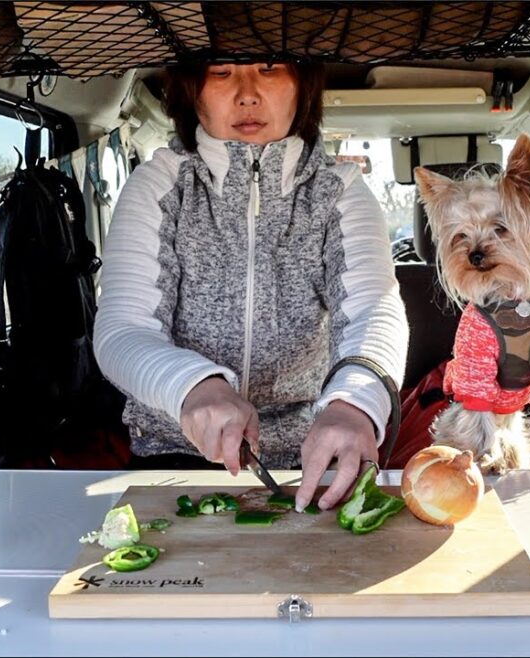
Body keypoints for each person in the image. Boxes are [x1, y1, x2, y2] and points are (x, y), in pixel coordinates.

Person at [93, 58, 408, 512]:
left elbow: (373, 310)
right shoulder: (159, 183)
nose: (247, 94)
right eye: (221, 73)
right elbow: (123, 328)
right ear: (192, 91)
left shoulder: (340, 191)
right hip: (171, 455)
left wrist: (355, 403)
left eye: (270, 69)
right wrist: (195, 387)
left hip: (307, 460)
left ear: (302, 85)